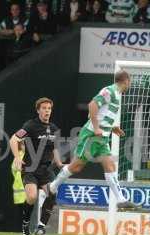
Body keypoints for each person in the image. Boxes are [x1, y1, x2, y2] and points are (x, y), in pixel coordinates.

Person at [48, 71, 138, 219]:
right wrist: (96, 127)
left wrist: (112, 127)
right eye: (130, 81)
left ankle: (121, 200)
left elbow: (100, 113)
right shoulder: (109, 91)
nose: (130, 84)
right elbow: (92, 106)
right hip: (92, 135)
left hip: (102, 138)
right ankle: (52, 186)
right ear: (126, 81)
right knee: (76, 166)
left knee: (110, 166)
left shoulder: (116, 94)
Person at [10, 97, 64, 235]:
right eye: (44, 108)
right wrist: (17, 157)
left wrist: (59, 163)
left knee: (52, 195)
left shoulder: (54, 129)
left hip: (46, 170)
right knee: (32, 197)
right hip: (30, 169)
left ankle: (40, 227)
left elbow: (55, 148)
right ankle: (25, 224)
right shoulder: (30, 125)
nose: (47, 111)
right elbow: (13, 139)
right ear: (38, 110)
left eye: (49, 108)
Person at [11, 141, 26, 231]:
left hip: (29, 189)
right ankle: (19, 231)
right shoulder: (18, 155)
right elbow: (14, 170)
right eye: (23, 144)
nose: (25, 146)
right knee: (20, 213)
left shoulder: (34, 155)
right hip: (20, 190)